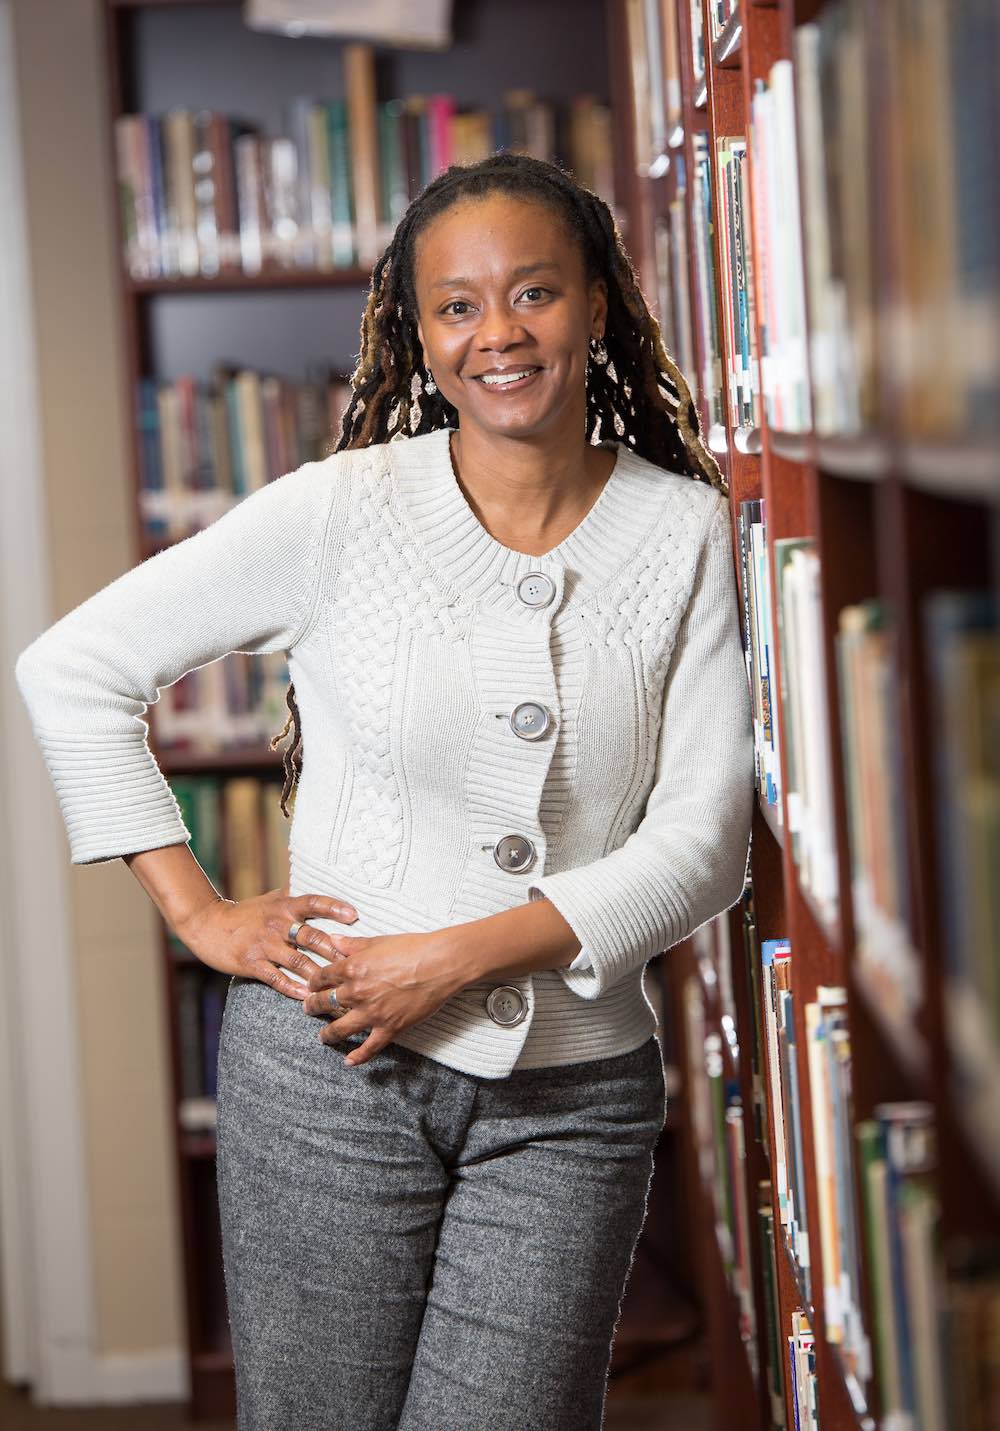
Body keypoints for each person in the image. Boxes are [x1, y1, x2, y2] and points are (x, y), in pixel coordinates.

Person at [14, 151, 754, 1430]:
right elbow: (71, 669)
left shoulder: (685, 532)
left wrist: (460, 954)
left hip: (573, 1100)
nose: (497, 335)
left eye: (534, 293)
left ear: (597, 305)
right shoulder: (344, 510)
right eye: (457, 307)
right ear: (419, 335)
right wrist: (199, 914)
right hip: (329, 1075)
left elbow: (702, 847)